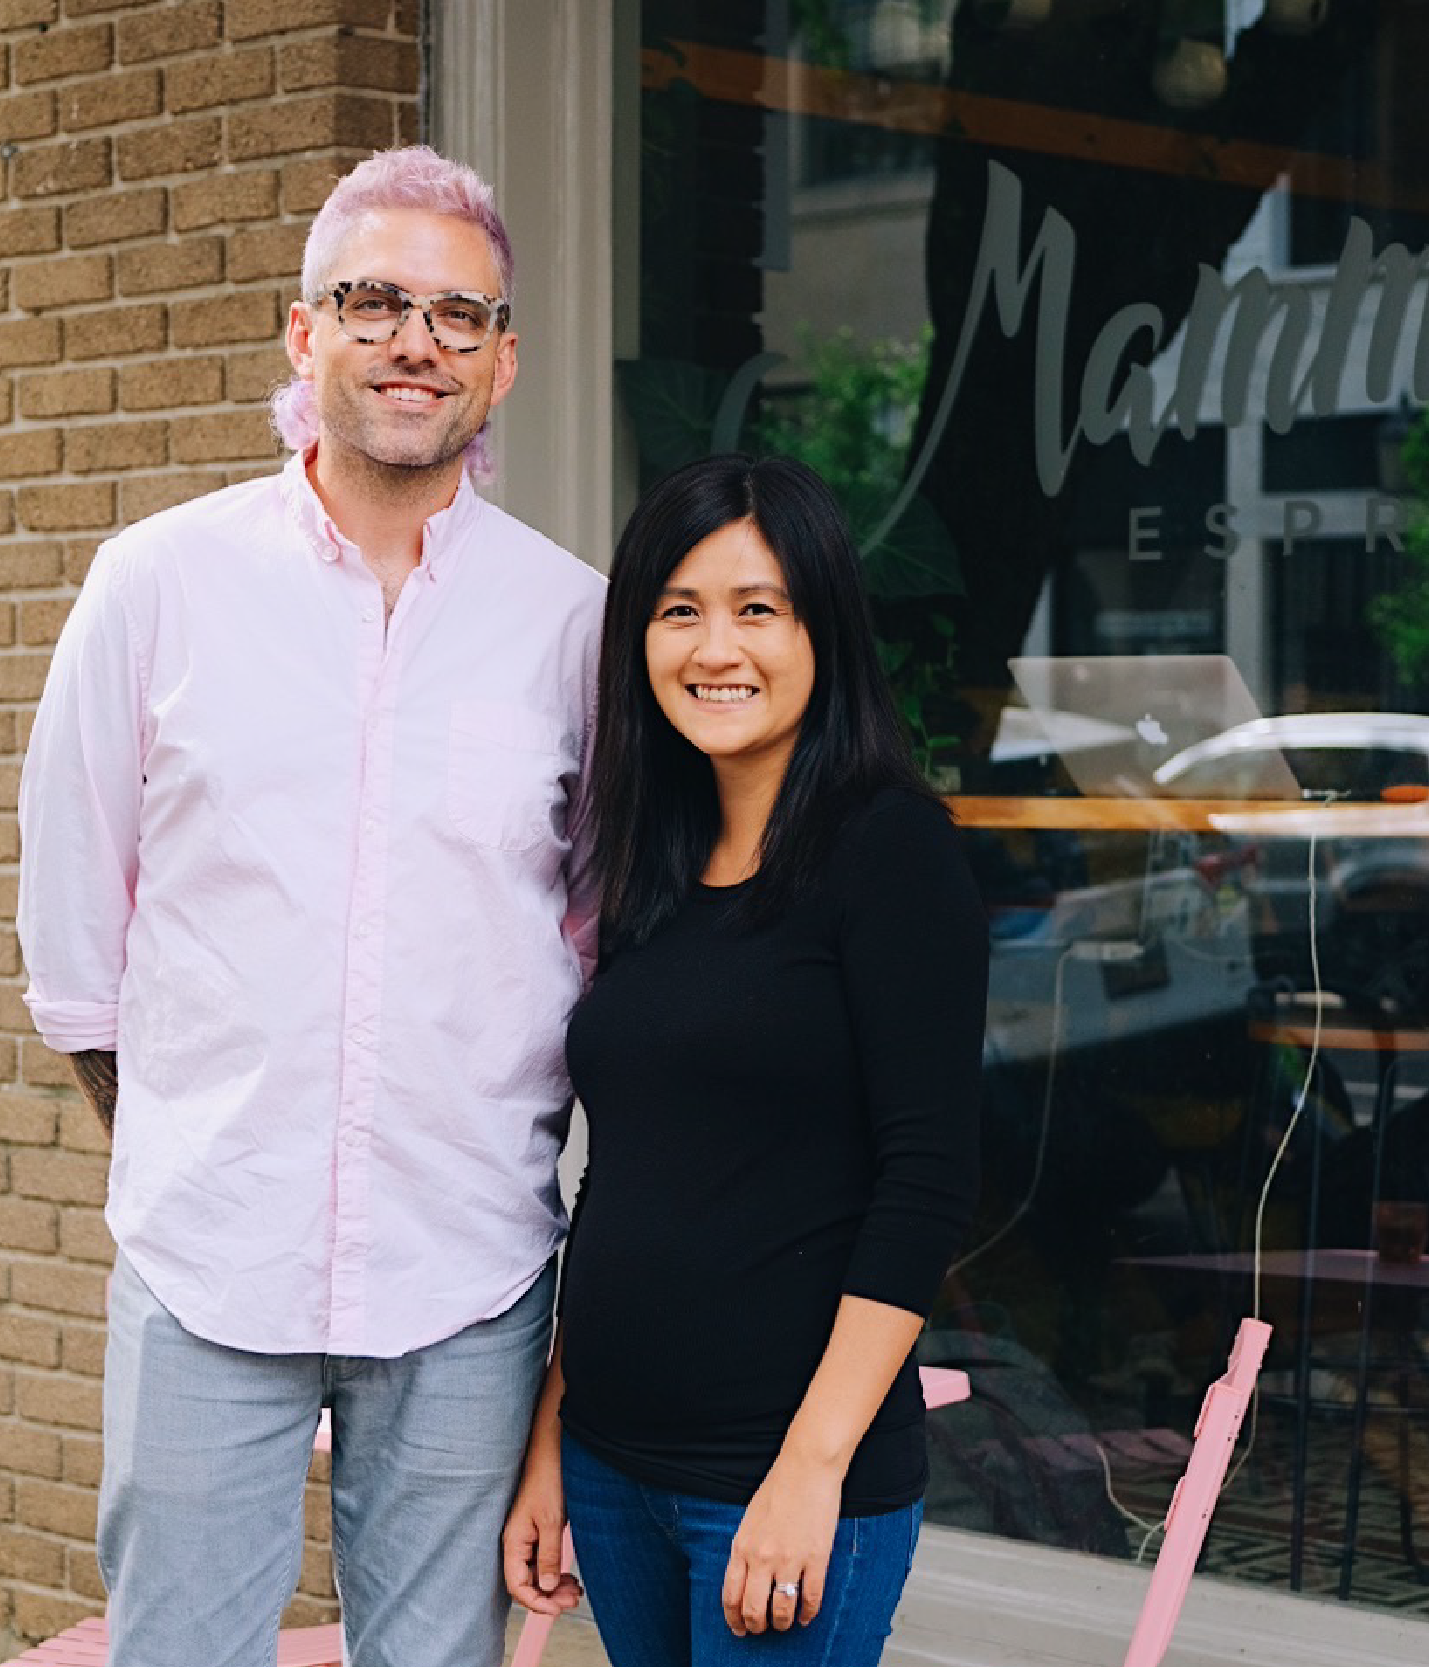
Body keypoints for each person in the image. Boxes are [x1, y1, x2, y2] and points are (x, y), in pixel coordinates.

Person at [15, 147, 606, 1667]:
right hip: (207, 1268)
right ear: (303, 334)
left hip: (471, 1279)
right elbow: (79, 958)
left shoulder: (573, 622)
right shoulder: (156, 586)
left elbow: (605, 943)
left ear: (503, 363)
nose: (418, 341)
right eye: (377, 300)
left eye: (459, 316)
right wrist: (204, 1152)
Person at [502, 454, 985, 1666]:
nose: (717, 646)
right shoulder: (652, 870)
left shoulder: (888, 847)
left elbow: (924, 1178)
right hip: (614, 1470)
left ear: (823, 628)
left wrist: (808, 1471)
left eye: (757, 607)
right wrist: (557, 1437)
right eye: (680, 610)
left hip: (774, 1480)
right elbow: (626, 1174)